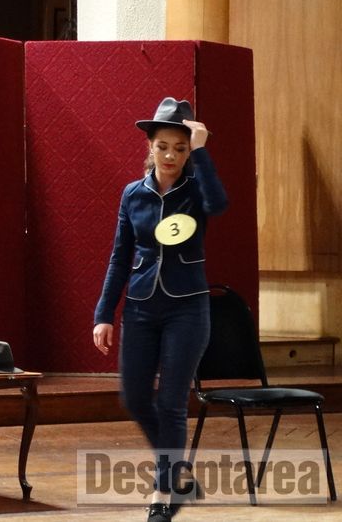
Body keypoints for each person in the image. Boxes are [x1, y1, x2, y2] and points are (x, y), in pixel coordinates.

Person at [92, 98, 228, 522]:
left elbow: (218, 203)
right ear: (150, 147)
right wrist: (103, 313)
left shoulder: (196, 189)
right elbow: (119, 257)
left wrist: (202, 152)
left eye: (180, 148)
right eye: (163, 146)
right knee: (135, 398)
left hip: (187, 310)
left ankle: (163, 493)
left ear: (189, 152)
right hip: (141, 308)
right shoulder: (133, 194)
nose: (170, 156)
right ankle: (178, 469)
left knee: (170, 403)